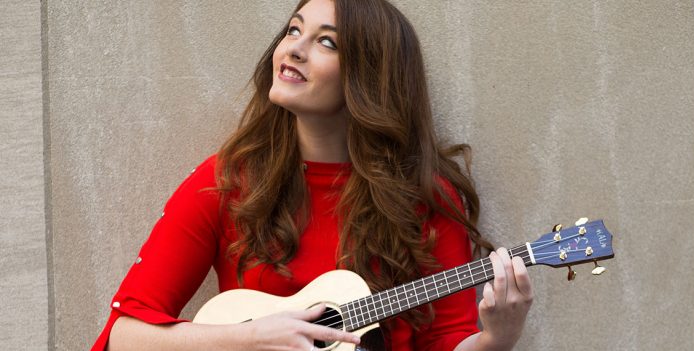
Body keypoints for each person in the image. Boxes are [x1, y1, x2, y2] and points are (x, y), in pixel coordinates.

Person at [92, 0, 533, 350]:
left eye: (327, 42)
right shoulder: (226, 181)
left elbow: (445, 343)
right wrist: (250, 338)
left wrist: (497, 339)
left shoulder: (428, 196)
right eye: (294, 29)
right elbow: (124, 335)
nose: (294, 49)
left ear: (369, 78)